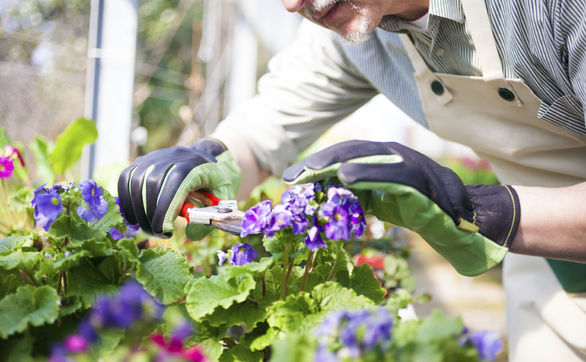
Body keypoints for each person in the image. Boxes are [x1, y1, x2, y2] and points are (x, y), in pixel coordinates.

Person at [117, 0, 586, 360]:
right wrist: (205, 163)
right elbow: (259, 136)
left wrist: (477, 212)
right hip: (546, 274)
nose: (291, 4)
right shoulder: (360, 31)